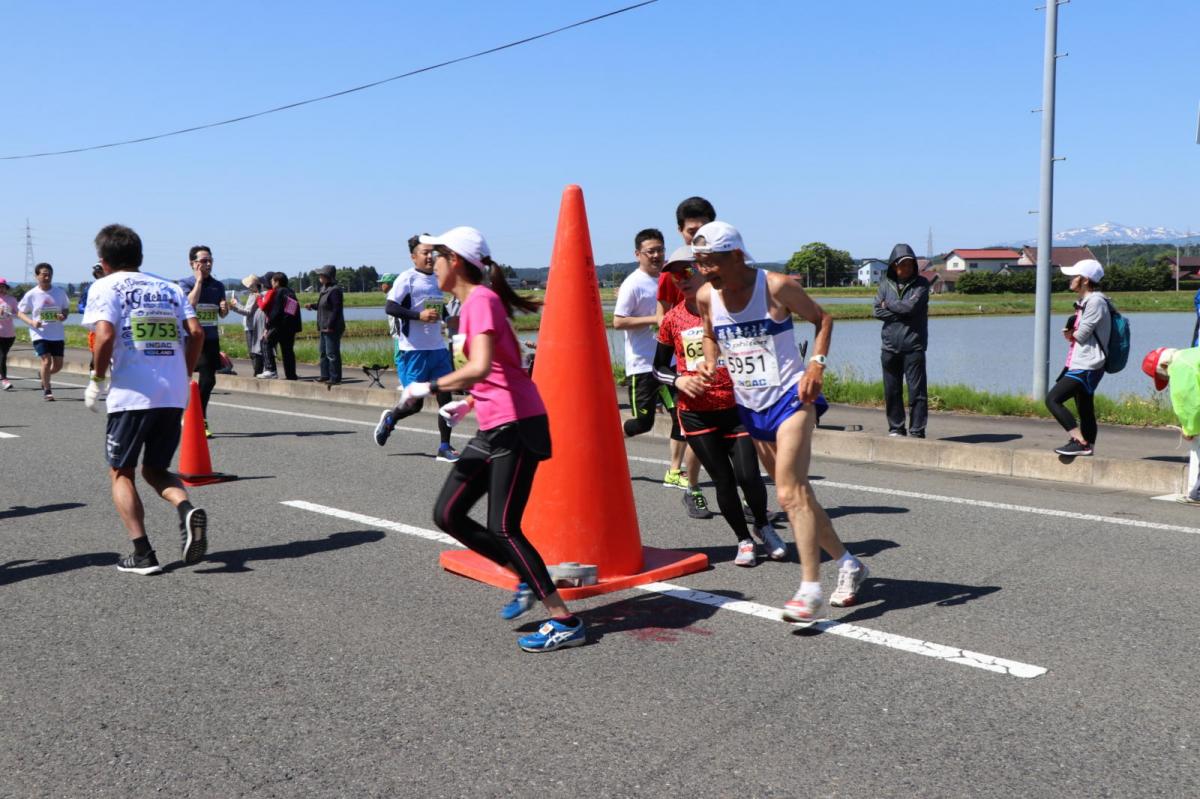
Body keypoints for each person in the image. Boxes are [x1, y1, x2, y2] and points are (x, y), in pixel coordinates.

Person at [398, 226, 585, 652]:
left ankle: (565, 620)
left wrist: (427, 387)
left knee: (503, 525)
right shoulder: (472, 304)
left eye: (437, 255)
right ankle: (524, 577)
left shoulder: (480, 300)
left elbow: (481, 365)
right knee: (448, 513)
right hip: (497, 421)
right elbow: (508, 365)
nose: (432, 262)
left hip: (517, 424)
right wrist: (471, 404)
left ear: (456, 262)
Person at [694, 222, 869, 624]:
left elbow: (823, 319)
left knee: (789, 493)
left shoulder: (774, 287)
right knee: (800, 496)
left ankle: (810, 589)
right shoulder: (707, 296)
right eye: (700, 263)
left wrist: (816, 365)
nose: (705, 271)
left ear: (737, 255)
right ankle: (848, 563)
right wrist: (709, 361)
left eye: (712, 262)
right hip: (752, 407)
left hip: (793, 397)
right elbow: (708, 333)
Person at [82, 224, 208, 576]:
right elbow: (196, 333)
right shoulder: (169, 287)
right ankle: (185, 508)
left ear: (103, 261)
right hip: (173, 392)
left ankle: (143, 554)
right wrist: (182, 374)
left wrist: (96, 380)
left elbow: (104, 335)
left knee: (121, 471)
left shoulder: (104, 286)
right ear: (139, 256)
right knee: (155, 469)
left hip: (132, 394)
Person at [653, 246, 783, 565]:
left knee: (749, 475)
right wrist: (678, 381)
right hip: (697, 414)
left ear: (706, 269)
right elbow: (657, 367)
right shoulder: (673, 319)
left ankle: (764, 528)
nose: (679, 280)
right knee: (723, 480)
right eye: (674, 274)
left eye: (686, 271)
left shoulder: (731, 308)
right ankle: (742, 540)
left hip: (737, 408)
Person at [615, 227, 711, 519]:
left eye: (660, 249)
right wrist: (658, 319)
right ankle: (608, 444)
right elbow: (618, 322)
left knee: (680, 418)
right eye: (650, 251)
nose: (656, 255)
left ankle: (673, 471)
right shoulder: (633, 283)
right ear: (638, 255)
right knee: (642, 422)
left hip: (669, 363)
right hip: (643, 363)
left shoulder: (670, 277)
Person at [373, 235, 460, 462]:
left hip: (438, 349)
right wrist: (417, 315)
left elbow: (439, 310)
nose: (430, 257)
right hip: (414, 350)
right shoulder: (407, 278)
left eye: (432, 252)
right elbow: (390, 307)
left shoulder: (439, 279)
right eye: (425, 253)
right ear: (414, 257)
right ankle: (391, 418)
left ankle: (444, 447)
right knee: (415, 405)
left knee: (446, 399)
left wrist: (450, 320)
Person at [656, 197, 716, 498]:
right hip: (687, 363)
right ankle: (690, 485)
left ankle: (750, 502)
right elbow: (663, 314)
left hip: (726, 363)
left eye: (704, 228)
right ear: (681, 231)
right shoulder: (672, 271)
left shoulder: (726, 262)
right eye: (692, 231)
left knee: (743, 441)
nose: (698, 235)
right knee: (694, 434)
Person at [1046, 258, 1110, 457]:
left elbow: (1081, 335)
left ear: (1084, 279)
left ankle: (1079, 440)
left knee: (1053, 399)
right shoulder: (1085, 302)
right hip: (1082, 362)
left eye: (1074, 276)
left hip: (1088, 364)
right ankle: (1087, 445)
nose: (1070, 279)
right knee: (1084, 407)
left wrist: (1071, 332)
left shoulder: (1096, 301)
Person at [874, 243, 930, 438]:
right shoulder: (884, 285)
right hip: (889, 346)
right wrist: (901, 311)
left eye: (909, 264)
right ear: (893, 266)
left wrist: (889, 304)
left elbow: (911, 308)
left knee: (917, 392)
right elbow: (877, 311)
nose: (906, 268)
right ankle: (896, 428)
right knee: (892, 391)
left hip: (913, 346)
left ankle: (917, 430)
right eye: (902, 264)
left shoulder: (922, 284)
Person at [178, 245, 229, 437]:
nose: (208, 264)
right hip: (189, 338)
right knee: (184, 380)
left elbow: (222, 314)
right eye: (203, 261)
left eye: (210, 260)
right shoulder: (185, 283)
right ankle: (183, 414)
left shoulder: (218, 286)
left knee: (209, 380)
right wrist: (198, 282)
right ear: (193, 263)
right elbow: (189, 304)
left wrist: (224, 309)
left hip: (210, 339)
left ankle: (200, 417)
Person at [1142, 347, 1200, 503]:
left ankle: (1197, 493)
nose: (1167, 379)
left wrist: (1189, 429)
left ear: (1164, 367)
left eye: (1164, 377)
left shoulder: (1179, 368)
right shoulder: (1191, 353)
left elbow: (1192, 405)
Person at [16, 262, 69, 400]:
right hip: (39, 333)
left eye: (49, 274)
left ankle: (43, 376)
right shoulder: (31, 294)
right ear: (37, 276)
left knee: (58, 366)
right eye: (44, 274)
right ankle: (47, 390)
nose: (47, 277)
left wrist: (63, 315)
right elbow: (20, 312)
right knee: (46, 361)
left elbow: (65, 308)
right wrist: (32, 322)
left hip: (56, 333)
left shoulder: (59, 292)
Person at [306, 265, 344, 384]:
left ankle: (335, 378)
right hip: (324, 327)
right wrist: (312, 306)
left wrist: (330, 326)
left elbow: (336, 310)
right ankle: (325, 375)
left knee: (332, 353)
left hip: (331, 327)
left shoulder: (335, 290)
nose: (319, 277)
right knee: (323, 352)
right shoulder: (324, 289)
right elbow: (322, 306)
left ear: (327, 276)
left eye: (321, 275)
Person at [259, 273, 301, 380]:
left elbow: (275, 312)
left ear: (277, 282)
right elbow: (292, 310)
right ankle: (291, 374)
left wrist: (268, 327)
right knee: (287, 350)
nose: (271, 283)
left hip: (279, 325)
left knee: (265, 342)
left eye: (272, 281)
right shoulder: (291, 292)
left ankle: (270, 370)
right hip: (290, 327)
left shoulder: (279, 292)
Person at [229, 274, 266, 376]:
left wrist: (235, 306)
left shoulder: (254, 296)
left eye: (249, 285)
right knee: (256, 351)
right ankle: (259, 371)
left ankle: (257, 372)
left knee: (253, 352)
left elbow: (247, 312)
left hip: (251, 326)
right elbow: (248, 310)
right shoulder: (258, 294)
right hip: (254, 326)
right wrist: (237, 304)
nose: (248, 287)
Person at [78, 263, 105, 376]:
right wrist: (92, 312)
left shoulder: (116, 285)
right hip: (97, 327)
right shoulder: (90, 288)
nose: (100, 275)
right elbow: (81, 306)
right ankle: (94, 380)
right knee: (97, 354)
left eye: (101, 272)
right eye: (98, 273)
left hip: (115, 326)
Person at [0, 278, 16, 390]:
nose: (1, 289)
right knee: (2, 356)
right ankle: (4, 380)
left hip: (10, 333)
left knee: (3, 355)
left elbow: (19, 313)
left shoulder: (12, 300)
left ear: (6, 288)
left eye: (3, 287)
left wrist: (9, 314)